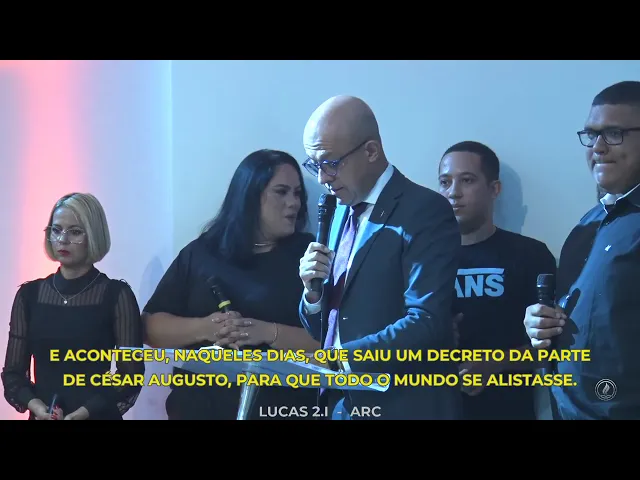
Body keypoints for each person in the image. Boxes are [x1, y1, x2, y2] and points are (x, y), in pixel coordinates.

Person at [298, 95, 462, 420]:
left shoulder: (424, 210)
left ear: (371, 151)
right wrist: (312, 295)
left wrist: (340, 359)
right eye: (314, 165)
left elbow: (427, 320)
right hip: (343, 406)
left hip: (404, 406)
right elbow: (327, 328)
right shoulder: (338, 210)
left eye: (330, 163)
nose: (322, 178)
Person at [143, 149, 320, 420]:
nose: (293, 203)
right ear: (249, 196)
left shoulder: (308, 257)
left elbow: (332, 345)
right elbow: (150, 328)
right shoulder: (201, 253)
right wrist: (207, 328)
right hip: (198, 410)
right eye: (281, 192)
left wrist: (267, 332)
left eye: (297, 194)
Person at [524, 81, 640, 419]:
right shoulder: (587, 225)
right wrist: (539, 326)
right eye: (591, 135)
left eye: (614, 133)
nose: (598, 147)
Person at [438, 141, 557, 420]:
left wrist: (496, 363)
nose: (453, 192)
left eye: (467, 180)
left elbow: (552, 348)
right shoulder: (420, 259)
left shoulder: (530, 255)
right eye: (445, 182)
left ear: (494, 189)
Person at [1, 193, 144, 420]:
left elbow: (130, 374)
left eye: (75, 232)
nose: (63, 239)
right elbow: (13, 374)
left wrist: (85, 412)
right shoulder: (29, 295)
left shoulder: (117, 295)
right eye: (56, 230)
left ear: (94, 235)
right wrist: (37, 407)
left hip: (97, 415)